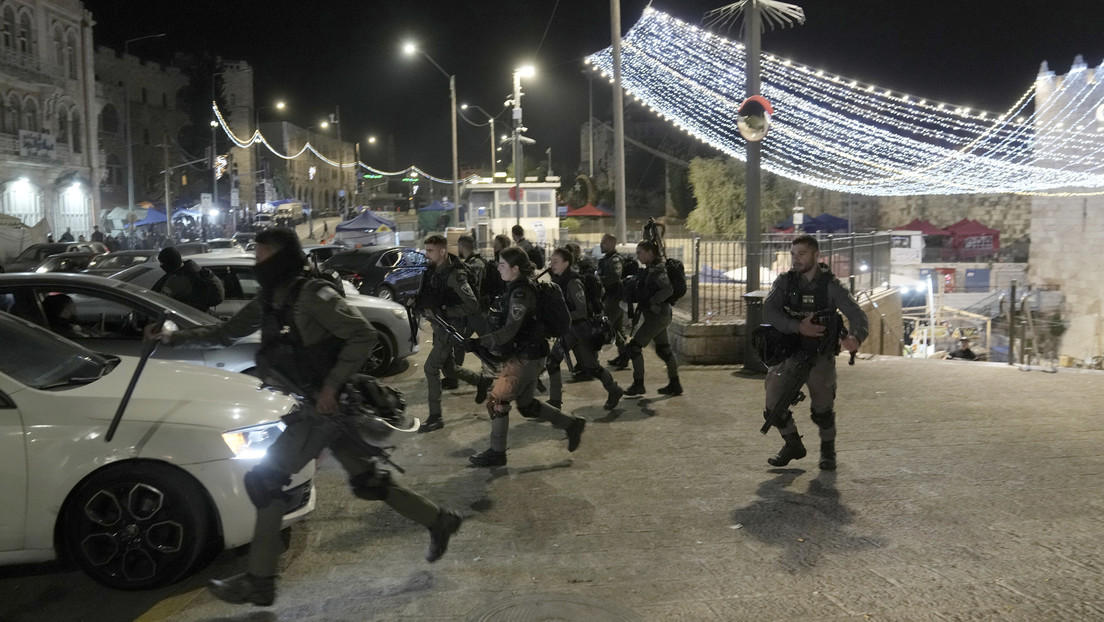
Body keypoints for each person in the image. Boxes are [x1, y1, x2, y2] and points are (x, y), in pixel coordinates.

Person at [144, 228, 462, 606]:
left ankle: (260, 581)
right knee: (369, 481)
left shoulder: (311, 295)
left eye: (262, 253)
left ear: (279, 257)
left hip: (324, 409)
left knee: (266, 481)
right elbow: (227, 332)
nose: (257, 259)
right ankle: (440, 520)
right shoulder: (271, 299)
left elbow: (362, 335)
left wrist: (331, 387)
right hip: (319, 406)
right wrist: (172, 338)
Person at [467, 247, 586, 467]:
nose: (498, 268)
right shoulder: (517, 287)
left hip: (526, 357)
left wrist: (479, 341)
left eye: (502, 264)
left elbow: (510, 330)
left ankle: (497, 452)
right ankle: (571, 425)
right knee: (527, 404)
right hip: (531, 354)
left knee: (497, 401)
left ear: (515, 268)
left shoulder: (522, 293)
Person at [762, 234, 867, 470]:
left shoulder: (830, 286)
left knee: (822, 410)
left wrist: (856, 337)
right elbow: (769, 310)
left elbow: (857, 315)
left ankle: (828, 452)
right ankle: (792, 444)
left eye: (802, 254)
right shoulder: (785, 282)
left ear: (816, 255)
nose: (796, 259)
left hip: (821, 357)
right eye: (793, 254)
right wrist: (798, 327)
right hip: (791, 353)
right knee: (773, 404)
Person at [412, 234, 479, 433]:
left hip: (451, 327)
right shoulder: (434, 270)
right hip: (439, 326)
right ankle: (481, 381)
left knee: (431, 368)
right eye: (426, 250)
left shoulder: (455, 275)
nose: (427, 254)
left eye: (430, 251)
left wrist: (443, 311)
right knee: (449, 367)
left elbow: (472, 304)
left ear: (442, 251)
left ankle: (435, 417)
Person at [546, 247, 624, 410]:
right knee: (552, 362)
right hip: (568, 331)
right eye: (551, 261)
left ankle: (614, 390)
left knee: (592, 367)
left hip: (581, 329)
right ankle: (555, 401)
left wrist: (561, 318)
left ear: (566, 263)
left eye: (555, 262)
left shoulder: (573, 282)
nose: (551, 264)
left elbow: (581, 311)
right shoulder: (560, 280)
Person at [623, 239, 682, 397]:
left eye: (640, 253)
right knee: (664, 350)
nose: (638, 256)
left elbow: (668, 289)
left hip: (658, 316)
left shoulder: (658, 270)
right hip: (655, 316)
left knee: (634, 347)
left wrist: (652, 301)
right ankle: (675, 384)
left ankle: (638, 384)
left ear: (650, 253)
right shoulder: (649, 269)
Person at [598, 234, 630, 367]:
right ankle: (624, 357)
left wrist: (600, 280)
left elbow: (616, 276)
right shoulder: (605, 259)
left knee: (605, 327)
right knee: (616, 330)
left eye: (604, 243)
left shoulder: (615, 260)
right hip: (611, 298)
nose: (601, 245)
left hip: (615, 299)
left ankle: (590, 361)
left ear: (611, 245)